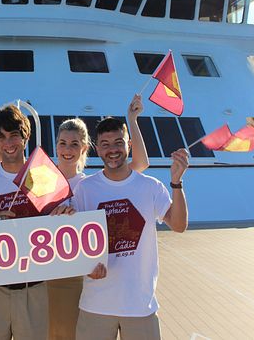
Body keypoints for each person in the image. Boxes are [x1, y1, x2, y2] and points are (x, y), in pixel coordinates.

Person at [0, 104, 74, 340]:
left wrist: (64, 217)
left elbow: (61, 232)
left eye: (14, 136)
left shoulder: (44, 177)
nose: (8, 143)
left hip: (34, 287)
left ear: (25, 138)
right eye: (2, 137)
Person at [71, 117, 189, 340]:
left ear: (129, 145)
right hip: (96, 305)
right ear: (98, 148)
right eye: (105, 144)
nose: (112, 150)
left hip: (139, 305)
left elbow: (179, 225)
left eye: (118, 142)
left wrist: (176, 182)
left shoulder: (150, 186)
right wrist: (85, 266)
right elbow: (74, 243)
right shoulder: (85, 189)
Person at [47, 94, 150, 340]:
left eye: (74, 144)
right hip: (48, 276)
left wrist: (132, 120)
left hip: (81, 278)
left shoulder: (92, 185)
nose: (67, 149)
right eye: (62, 143)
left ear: (84, 148)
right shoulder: (41, 182)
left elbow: (140, 164)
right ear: (56, 146)